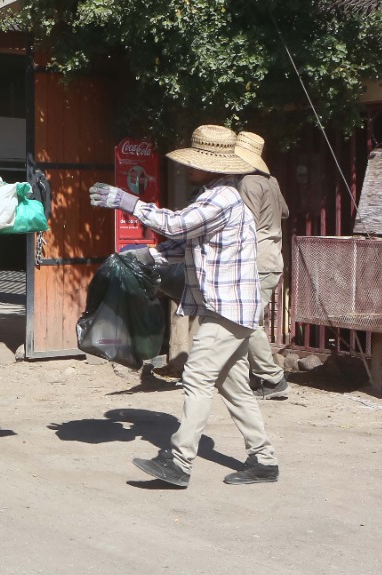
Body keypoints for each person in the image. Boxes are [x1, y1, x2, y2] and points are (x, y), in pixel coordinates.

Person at [89, 124, 279, 487]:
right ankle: (264, 460)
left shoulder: (220, 198)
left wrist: (127, 201)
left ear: (216, 166)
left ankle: (179, 462)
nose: (187, 167)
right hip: (229, 307)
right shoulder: (214, 194)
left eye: (197, 161)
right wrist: (147, 255)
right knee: (233, 386)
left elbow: (177, 226)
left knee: (197, 377)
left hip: (228, 309)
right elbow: (187, 244)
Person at [234, 131, 291, 399]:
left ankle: (272, 379)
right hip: (273, 259)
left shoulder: (247, 183)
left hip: (256, 261)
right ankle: (257, 377)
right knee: (249, 321)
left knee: (248, 323)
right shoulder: (272, 181)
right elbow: (285, 212)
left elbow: (246, 225)